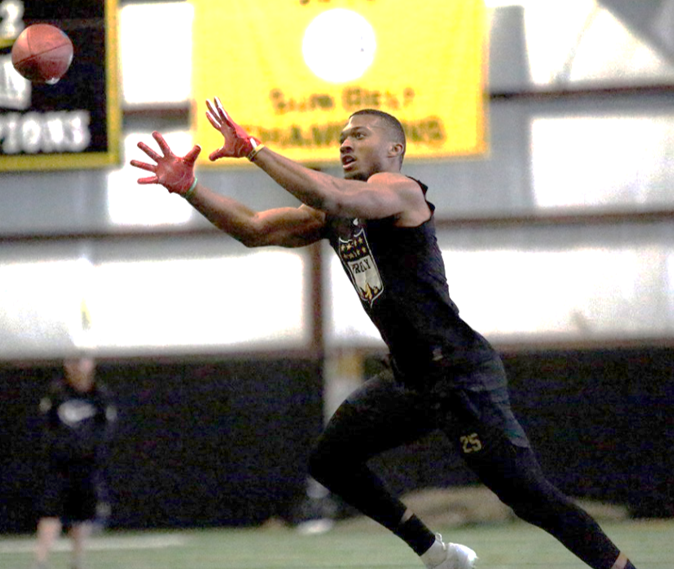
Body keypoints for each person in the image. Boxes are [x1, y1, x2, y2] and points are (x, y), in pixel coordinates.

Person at [131, 98, 637, 569]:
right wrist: (191, 188)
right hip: (411, 378)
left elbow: (329, 190)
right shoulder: (335, 214)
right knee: (330, 460)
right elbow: (255, 229)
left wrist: (255, 149)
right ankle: (436, 552)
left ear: (394, 149)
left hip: (459, 373)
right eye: (341, 137)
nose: (345, 143)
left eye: (358, 134)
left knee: (529, 497)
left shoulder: (401, 191)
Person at [34, 356, 117, 569]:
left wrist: (93, 451)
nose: (77, 367)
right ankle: (41, 561)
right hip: (60, 466)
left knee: (82, 515)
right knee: (51, 511)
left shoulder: (100, 393)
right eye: (73, 362)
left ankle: (77, 561)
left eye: (81, 362)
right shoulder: (57, 393)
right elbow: (46, 426)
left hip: (87, 466)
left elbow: (106, 428)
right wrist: (57, 449)